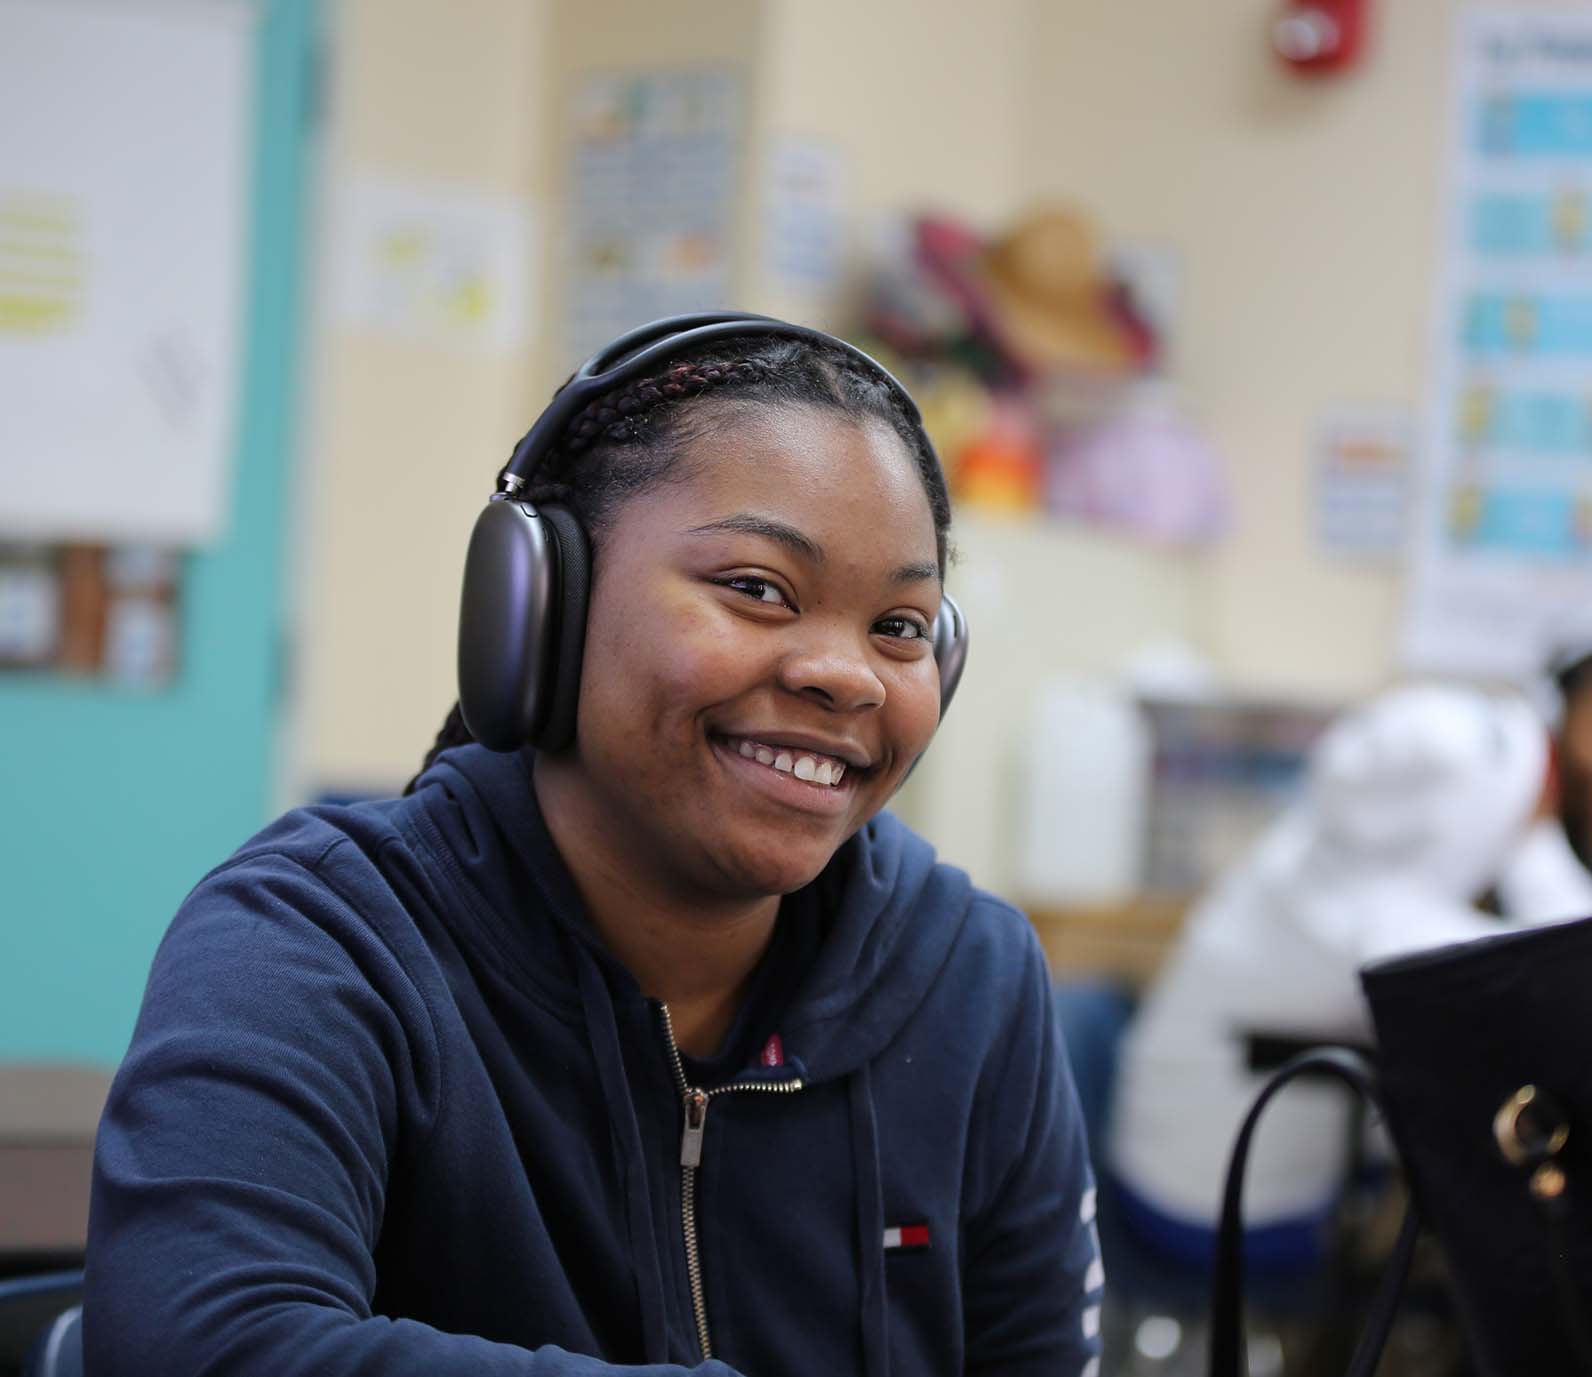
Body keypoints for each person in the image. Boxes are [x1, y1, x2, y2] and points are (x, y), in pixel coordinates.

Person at [84, 315, 1105, 1376]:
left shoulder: (969, 977)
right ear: (537, 607)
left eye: (899, 625)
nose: (844, 673)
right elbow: (200, 1349)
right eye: (757, 589)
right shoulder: (314, 939)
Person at [1107, 683, 1556, 1269]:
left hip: (1161, 1159)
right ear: (1470, 816)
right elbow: (1549, 962)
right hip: (1207, 1204)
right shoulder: (1378, 928)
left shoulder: (1302, 857)